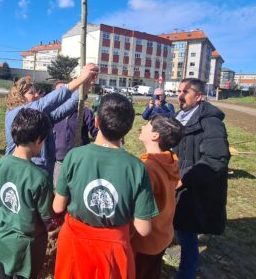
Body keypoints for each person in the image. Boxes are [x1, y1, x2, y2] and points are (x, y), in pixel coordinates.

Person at [52, 93, 159, 279]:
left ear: (95, 121)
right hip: (112, 249)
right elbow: (143, 228)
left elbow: (58, 206)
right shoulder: (136, 167)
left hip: (74, 245)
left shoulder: (74, 156)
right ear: (129, 128)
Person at [0, 108, 61, 279]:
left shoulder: (1, 163)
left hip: (3, 237)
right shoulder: (40, 178)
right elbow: (48, 219)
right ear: (38, 140)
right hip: (28, 247)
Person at [174, 78, 230, 279]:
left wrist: (184, 179)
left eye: (185, 92)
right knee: (179, 230)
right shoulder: (181, 115)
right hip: (178, 186)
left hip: (195, 191)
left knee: (187, 235)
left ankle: (186, 274)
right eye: (179, 90)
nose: (179, 95)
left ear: (198, 96)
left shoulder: (210, 122)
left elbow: (216, 159)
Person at [4, 63, 98, 176]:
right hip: (20, 174)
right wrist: (80, 78)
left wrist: (86, 86)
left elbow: (64, 109)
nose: (37, 95)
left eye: (36, 92)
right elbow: (44, 103)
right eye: (31, 93)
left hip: (43, 174)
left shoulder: (39, 115)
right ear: (19, 96)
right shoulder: (15, 114)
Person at [131, 115, 184, 279]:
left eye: (147, 125)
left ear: (155, 135)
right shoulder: (168, 160)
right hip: (162, 234)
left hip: (145, 240)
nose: (144, 126)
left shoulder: (148, 168)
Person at [52, 81, 98, 185]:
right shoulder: (52, 114)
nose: (62, 94)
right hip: (59, 163)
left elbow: (96, 133)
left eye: (65, 90)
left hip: (80, 162)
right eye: (58, 91)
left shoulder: (84, 112)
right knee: (60, 193)